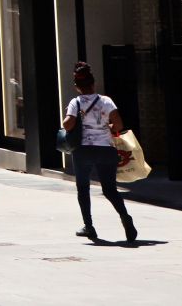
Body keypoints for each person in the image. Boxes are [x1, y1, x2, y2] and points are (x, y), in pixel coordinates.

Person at [64, 61, 136, 242]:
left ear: (76, 87)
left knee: (83, 188)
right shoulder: (106, 101)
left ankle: (89, 227)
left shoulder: (76, 102)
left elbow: (67, 124)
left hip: (84, 150)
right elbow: (118, 125)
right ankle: (125, 217)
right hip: (106, 149)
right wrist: (106, 128)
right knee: (110, 189)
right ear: (93, 83)